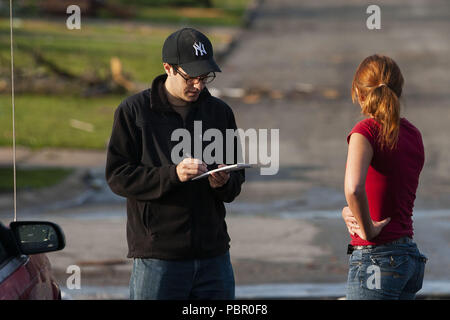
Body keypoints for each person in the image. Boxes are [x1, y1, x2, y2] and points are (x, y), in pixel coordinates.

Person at [105, 27, 245, 300]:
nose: (199, 85)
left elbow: (235, 183)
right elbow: (118, 176)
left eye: (205, 78)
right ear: (168, 68)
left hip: (214, 256)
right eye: (191, 77)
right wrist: (172, 175)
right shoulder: (133, 111)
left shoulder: (219, 112)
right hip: (158, 257)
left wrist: (224, 181)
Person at [342, 54, 428, 300]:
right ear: (399, 91)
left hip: (375, 259)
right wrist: (347, 212)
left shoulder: (365, 131)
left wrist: (367, 230)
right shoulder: (413, 134)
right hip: (408, 256)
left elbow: (354, 189)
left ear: (359, 94)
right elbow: (390, 190)